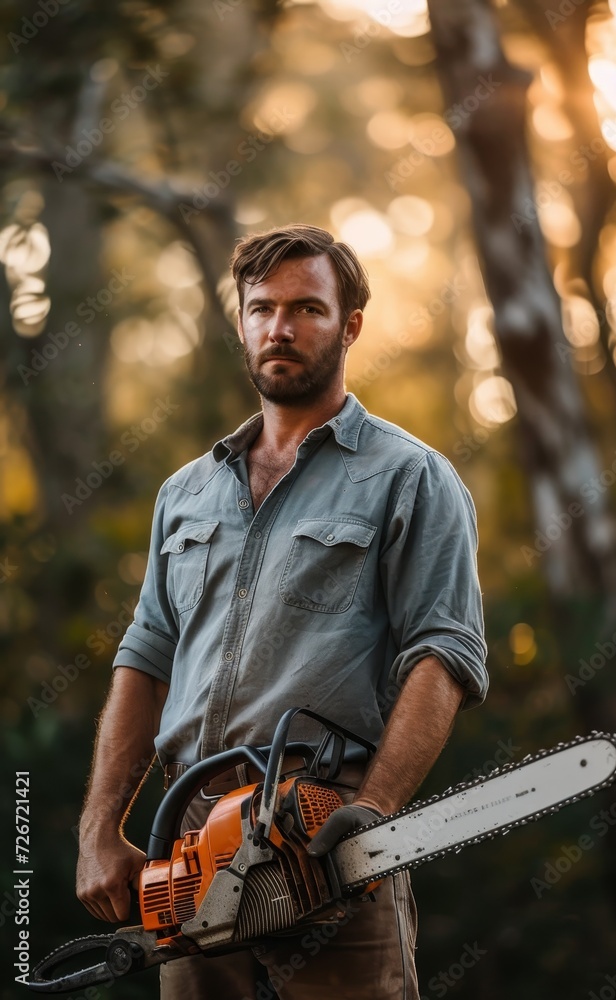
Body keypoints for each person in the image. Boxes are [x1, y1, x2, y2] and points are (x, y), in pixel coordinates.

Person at [76, 224, 488, 999]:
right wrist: (100, 829)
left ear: (350, 325)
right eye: (262, 308)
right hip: (189, 839)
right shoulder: (185, 492)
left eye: (307, 309)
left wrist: (374, 810)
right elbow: (146, 656)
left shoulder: (411, 478)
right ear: (240, 319)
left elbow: (443, 655)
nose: (280, 328)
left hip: (321, 829)